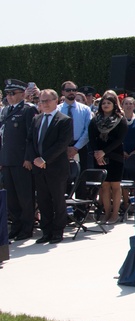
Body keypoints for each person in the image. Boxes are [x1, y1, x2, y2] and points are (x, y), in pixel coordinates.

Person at [26, 89, 74, 245]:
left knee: (58, 200)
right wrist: (35, 159)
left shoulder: (64, 120)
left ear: (56, 101)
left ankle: (57, 231)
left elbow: (62, 144)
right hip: (39, 168)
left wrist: (44, 158)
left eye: (47, 101)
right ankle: (46, 231)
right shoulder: (36, 119)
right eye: (41, 101)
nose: (44, 104)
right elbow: (31, 141)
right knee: (43, 200)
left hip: (56, 168)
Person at [1, 79, 38, 240]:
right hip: (8, 160)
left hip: (22, 161)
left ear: (23, 94)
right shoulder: (6, 111)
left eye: (12, 93)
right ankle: (16, 226)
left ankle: (26, 228)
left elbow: (31, 137)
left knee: (25, 197)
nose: (9, 97)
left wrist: (29, 158)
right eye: (7, 93)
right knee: (11, 198)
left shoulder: (28, 110)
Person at [89, 90, 128, 223]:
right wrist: (97, 152)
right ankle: (106, 213)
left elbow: (119, 139)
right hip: (99, 156)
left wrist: (104, 152)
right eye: (103, 103)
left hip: (115, 156)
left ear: (114, 105)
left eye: (108, 103)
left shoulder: (120, 119)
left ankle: (115, 214)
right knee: (104, 186)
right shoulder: (95, 120)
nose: (105, 105)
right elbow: (92, 138)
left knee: (115, 186)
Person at [60, 81, 93, 177]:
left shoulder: (85, 109)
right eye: (68, 90)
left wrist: (76, 147)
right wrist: (65, 147)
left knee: (81, 178)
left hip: (80, 147)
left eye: (74, 90)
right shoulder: (57, 109)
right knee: (63, 178)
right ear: (63, 92)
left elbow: (88, 130)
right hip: (62, 147)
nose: (71, 92)